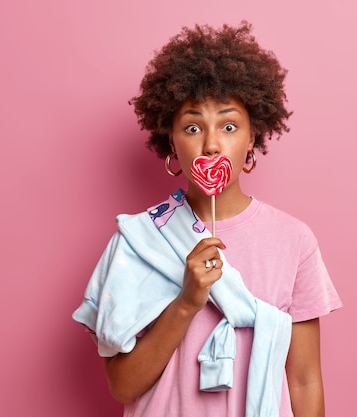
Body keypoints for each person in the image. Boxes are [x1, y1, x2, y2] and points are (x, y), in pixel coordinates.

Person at [72, 21, 342, 417]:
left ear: (252, 137)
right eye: (193, 127)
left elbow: (303, 380)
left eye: (229, 126)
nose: (212, 144)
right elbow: (122, 385)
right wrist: (187, 302)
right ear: (171, 141)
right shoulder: (139, 240)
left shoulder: (293, 240)